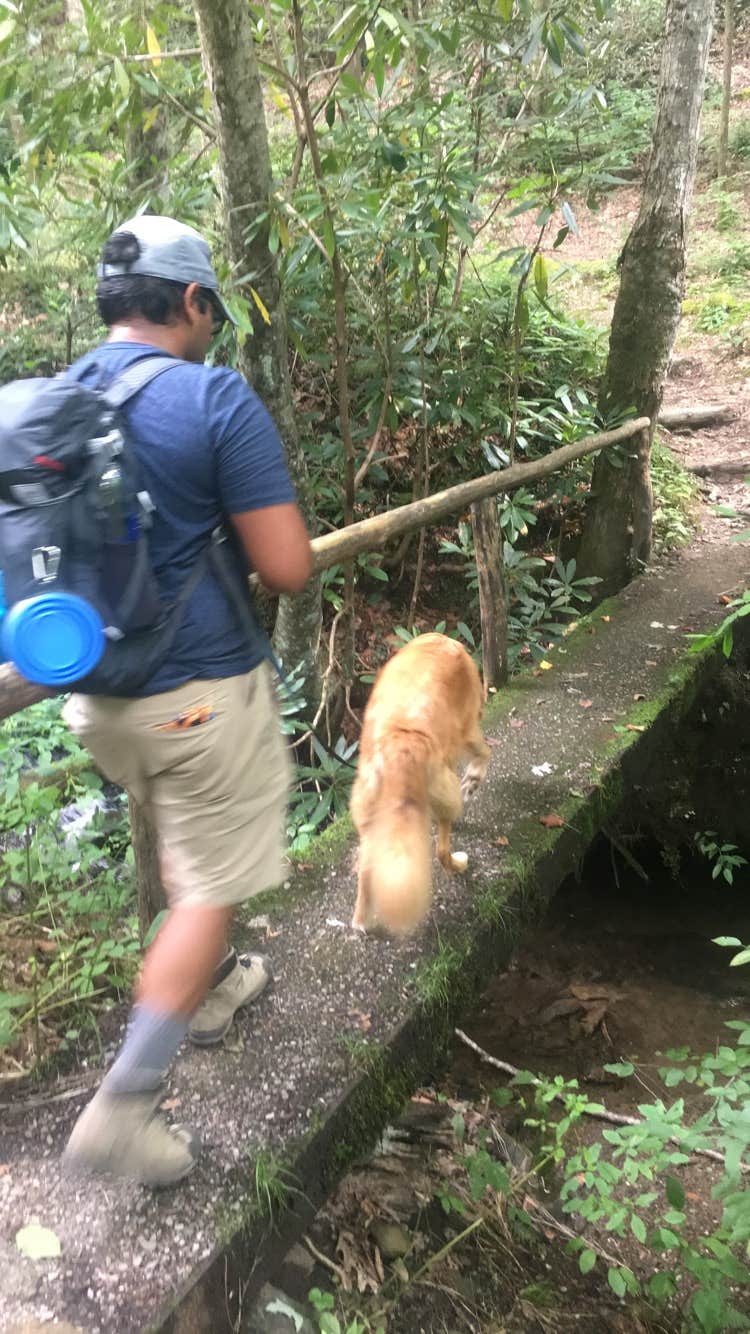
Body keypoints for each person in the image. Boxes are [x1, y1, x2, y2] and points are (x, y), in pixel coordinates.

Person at [62, 215, 312, 1186]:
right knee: (208, 889)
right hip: (196, 693)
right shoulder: (213, 397)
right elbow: (286, 567)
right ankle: (122, 1110)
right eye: (213, 309)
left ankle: (208, 990)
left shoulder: (56, 396)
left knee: (184, 834)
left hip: (94, 698)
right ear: (194, 302)